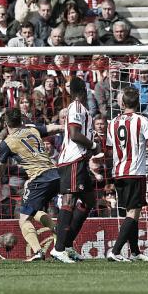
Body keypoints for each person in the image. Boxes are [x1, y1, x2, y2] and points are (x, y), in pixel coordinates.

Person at [0, 108, 62, 261]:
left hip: (39, 178)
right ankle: (57, 231)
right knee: (33, 211)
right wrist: (65, 127)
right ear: (21, 120)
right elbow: (52, 128)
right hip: (55, 174)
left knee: (24, 219)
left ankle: (38, 251)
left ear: (6, 123)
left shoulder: (7, 143)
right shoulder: (31, 129)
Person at [105, 87, 148, 261]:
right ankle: (115, 251)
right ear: (138, 102)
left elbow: (108, 149)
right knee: (133, 213)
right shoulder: (141, 120)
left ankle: (135, 252)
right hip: (135, 172)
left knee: (132, 211)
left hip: (118, 172)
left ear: (122, 103)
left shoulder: (112, 122)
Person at [51, 77, 98, 263]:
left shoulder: (82, 109)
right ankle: (59, 248)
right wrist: (93, 145)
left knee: (88, 200)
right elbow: (74, 134)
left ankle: (68, 245)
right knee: (69, 199)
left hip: (80, 161)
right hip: (72, 160)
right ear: (84, 90)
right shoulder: (76, 107)